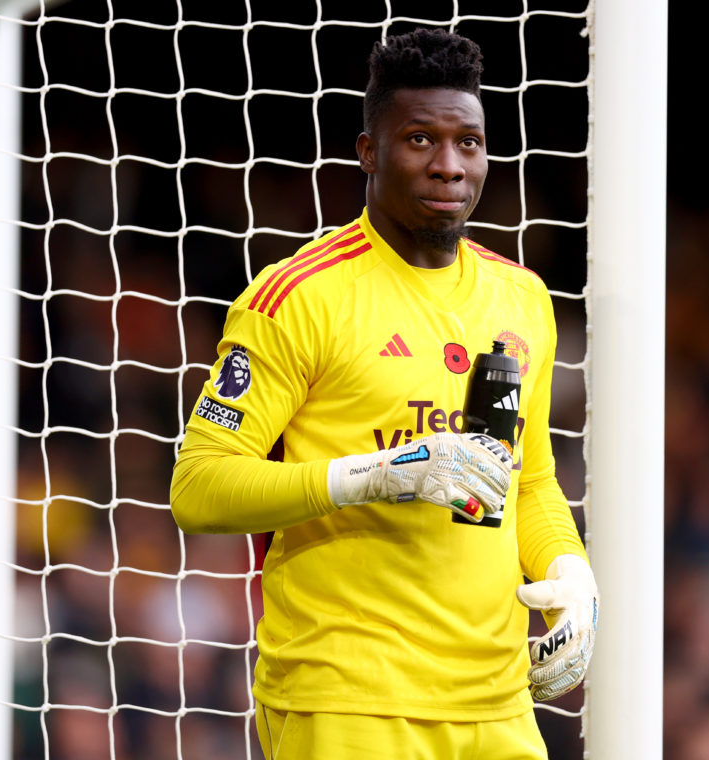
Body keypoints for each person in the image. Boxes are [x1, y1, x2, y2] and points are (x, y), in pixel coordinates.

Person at [170, 27, 598, 760]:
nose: (449, 166)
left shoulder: (523, 299)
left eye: (469, 142)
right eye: (421, 140)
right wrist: (373, 476)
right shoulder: (298, 297)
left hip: (495, 702)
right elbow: (199, 487)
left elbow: (529, 480)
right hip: (348, 698)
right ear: (369, 151)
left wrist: (568, 571)